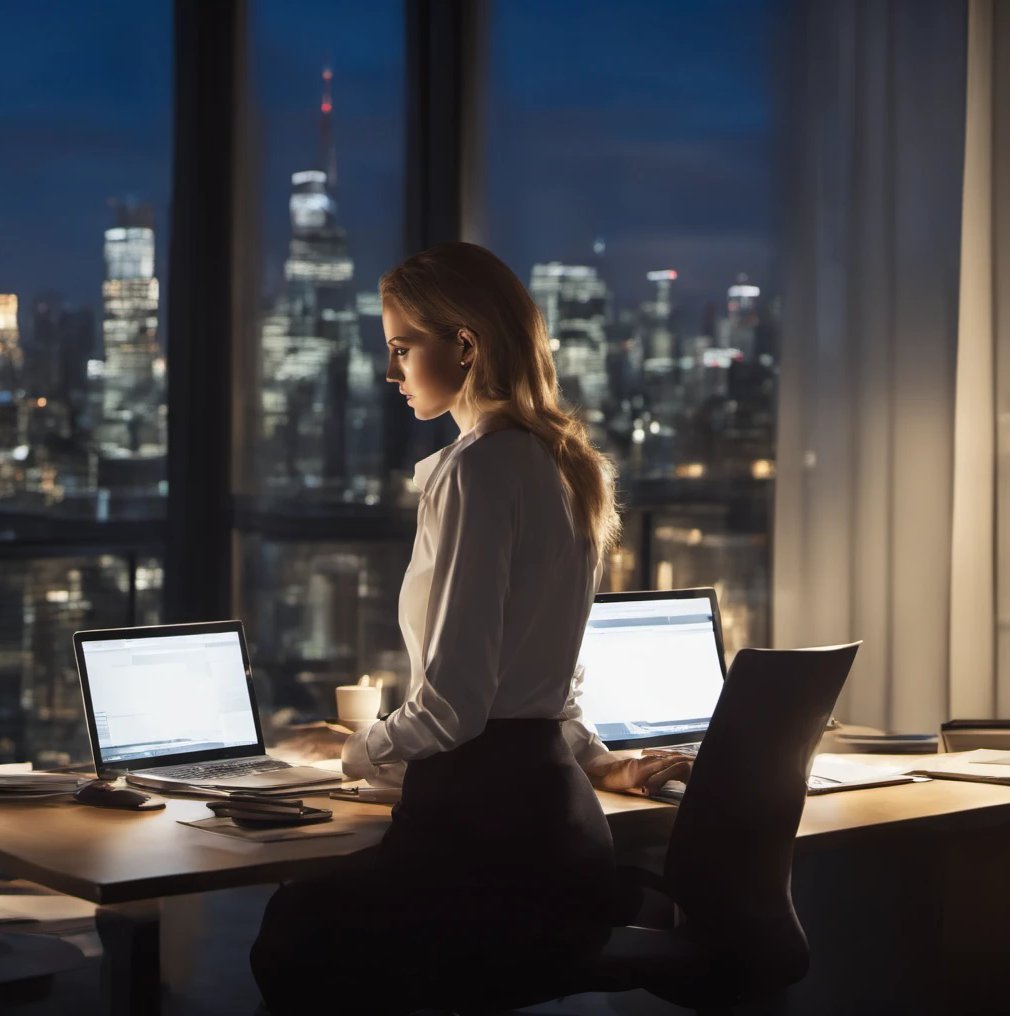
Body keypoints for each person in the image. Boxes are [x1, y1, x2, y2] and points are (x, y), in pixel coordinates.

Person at [250, 242, 691, 1015]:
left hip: (486, 846)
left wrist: (352, 750)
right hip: (561, 845)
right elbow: (547, 686)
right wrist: (598, 761)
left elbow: (454, 705)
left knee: (293, 931)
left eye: (401, 347)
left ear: (464, 343)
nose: (391, 373)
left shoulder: (476, 470)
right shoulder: (564, 464)